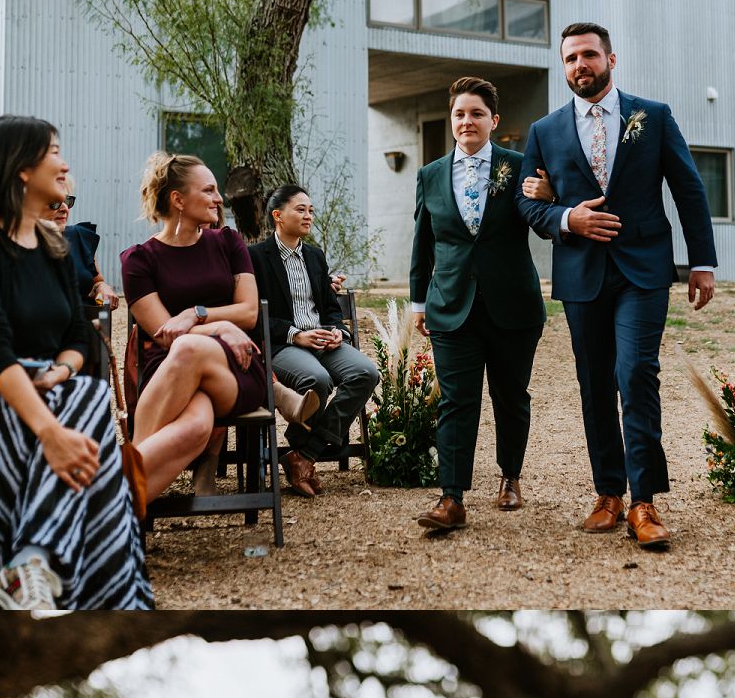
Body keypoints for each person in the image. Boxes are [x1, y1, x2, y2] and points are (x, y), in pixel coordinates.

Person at [0, 115, 153, 612]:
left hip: (46, 396)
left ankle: (30, 563)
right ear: (21, 169)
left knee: (82, 393)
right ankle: (114, 597)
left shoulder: (54, 248)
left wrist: (55, 374)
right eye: (53, 153)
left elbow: (78, 342)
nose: (65, 165)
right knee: (86, 426)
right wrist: (52, 432)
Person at [516, 23, 718, 550]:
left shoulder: (653, 116)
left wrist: (703, 262)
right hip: (580, 273)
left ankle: (644, 501)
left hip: (644, 269)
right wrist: (567, 219)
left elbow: (689, 189)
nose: (579, 65)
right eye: (570, 59)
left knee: (636, 373)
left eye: (589, 55)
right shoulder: (546, 129)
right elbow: (527, 202)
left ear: (610, 58)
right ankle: (608, 492)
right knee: (594, 385)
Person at [408, 76, 546, 533]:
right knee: (455, 402)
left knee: (511, 397)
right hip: (450, 306)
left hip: (513, 305)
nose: (467, 121)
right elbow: (422, 244)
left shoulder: (521, 165)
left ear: (494, 121)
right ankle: (452, 497)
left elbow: (542, 218)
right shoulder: (429, 175)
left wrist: (550, 197)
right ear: (452, 121)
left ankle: (510, 477)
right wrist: (417, 303)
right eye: (460, 114)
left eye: (476, 114)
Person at [121, 153, 263, 502]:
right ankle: (123, 510)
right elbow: (162, 332)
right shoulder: (138, 259)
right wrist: (221, 328)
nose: (219, 198)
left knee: (189, 347)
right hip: (167, 369)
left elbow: (248, 313)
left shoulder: (228, 242)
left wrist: (198, 316)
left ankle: (114, 488)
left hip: (235, 365)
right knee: (197, 427)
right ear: (178, 200)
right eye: (210, 190)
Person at [249, 183, 379, 500]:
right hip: (284, 345)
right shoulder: (255, 258)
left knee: (366, 373)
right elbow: (254, 314)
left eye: (311, 210)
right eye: (301, 210)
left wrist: (338, 331)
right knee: (316, 380)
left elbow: (330, 308)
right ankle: (305, 454)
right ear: (278, 216)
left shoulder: (315, 257)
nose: (308, 216)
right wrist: (296, 334)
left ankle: (302, 453)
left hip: (323, 340)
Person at [47, 180, 119, 308]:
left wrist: (102, 287)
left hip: (82, 321)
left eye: (67, 201)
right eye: (55, 201)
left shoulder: (78, 237)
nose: (64, 208)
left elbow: (97, 282)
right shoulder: (20, 245)